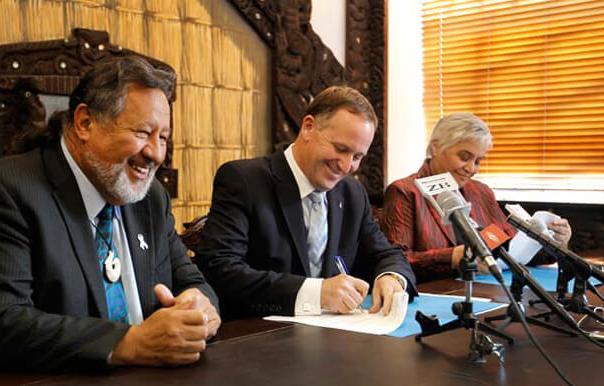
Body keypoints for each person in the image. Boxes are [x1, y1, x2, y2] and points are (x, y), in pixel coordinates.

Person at [0, 57, 220, 371]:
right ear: (84, 123)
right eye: (142, 132)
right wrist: (128, 343)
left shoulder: (150, 199)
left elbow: (193, 281)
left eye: (162, 138)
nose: (156, 154)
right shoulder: (6, 191)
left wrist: (198, 305)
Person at [195, 86, 417, 320]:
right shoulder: (244, 180)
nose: (345, 166)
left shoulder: (352, 193)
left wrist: (391, 277)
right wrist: (316, 293)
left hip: (339, 340)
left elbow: (386, 254)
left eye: (357, 157)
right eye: (340, 149)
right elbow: (220, 271)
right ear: (308, 127)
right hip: (260, 337)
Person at [380, 112, 572, 283]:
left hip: (487, 294)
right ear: (436, 147)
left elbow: (510, 250)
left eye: (478, 161)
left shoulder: (481, 192)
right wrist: (454, 257)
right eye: (464, 157)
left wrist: (552, 243)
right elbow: (394, 262)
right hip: (434, 296)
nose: (471, 169)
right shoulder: (405, 191)